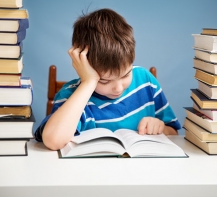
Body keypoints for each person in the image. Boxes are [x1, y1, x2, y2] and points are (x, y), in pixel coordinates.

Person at [34, 8, 181, 150]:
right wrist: (88, 82)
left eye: (125, 75)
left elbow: (174, 133)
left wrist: (161, 128)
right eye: (104, 81)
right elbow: (53, 141)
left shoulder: (146, 81)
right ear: (82, 66)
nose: (118, 88)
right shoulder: (72, 96)